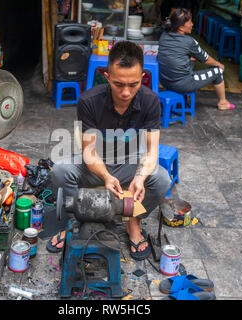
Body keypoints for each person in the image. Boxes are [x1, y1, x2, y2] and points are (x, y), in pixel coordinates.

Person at [47, 41, 171, 261]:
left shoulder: (151, 101)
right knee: (59, 171)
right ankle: (74, 222)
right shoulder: (89, 100)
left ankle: (133, 224)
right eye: (118, 84)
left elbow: (152, 153)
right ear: (107, 76)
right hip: (95, 164)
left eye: (133, 84)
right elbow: (89, 152)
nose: (125, 92)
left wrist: (140, 178)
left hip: (129, 163)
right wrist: (105, 176)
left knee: (161, 179)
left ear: (142, 76)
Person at [157, 8, 235, 110]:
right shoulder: (189, 42)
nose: (192, 24)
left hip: (164, 82)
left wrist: (188, 58)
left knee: (191, 61)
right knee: (218, 72)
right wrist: (218, 64)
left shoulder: (164, 36)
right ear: (181, 26)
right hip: (181, 84)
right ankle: (223, 102)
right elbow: (205, 58)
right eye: (190, 22)